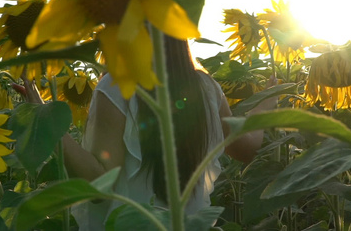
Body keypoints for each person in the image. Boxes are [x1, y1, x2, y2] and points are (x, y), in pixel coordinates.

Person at [22, 35, 277, 230]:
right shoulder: (206, 87)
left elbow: (98, 185)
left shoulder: (117, 87)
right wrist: (268, 103)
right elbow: (246, 147)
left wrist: (46, 119)